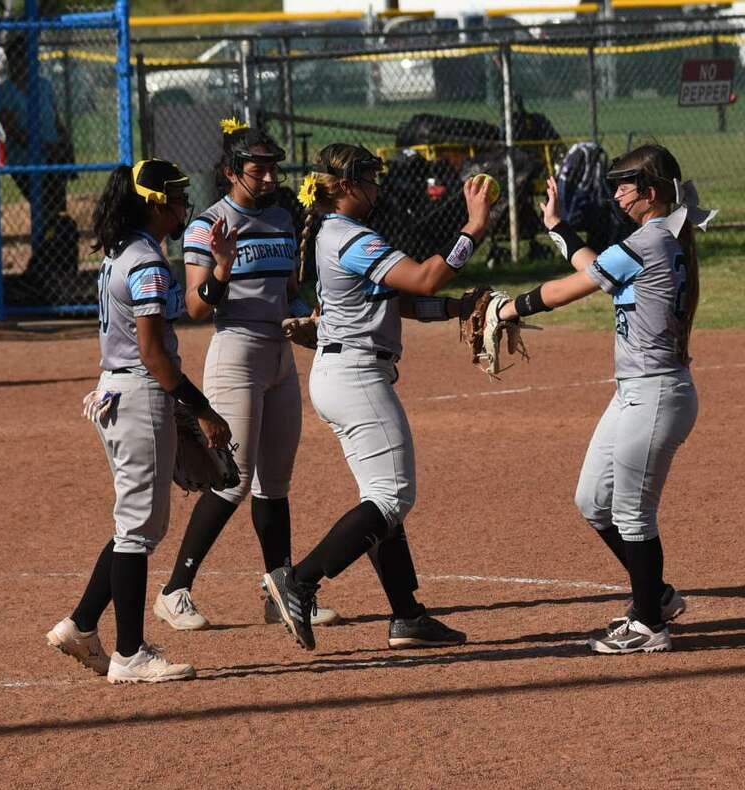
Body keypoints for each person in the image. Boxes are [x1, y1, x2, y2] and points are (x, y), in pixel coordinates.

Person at [262, 143, 492, 651]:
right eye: (369, 178)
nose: (377, 186)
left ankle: (407, 616)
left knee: (381, 498)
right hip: (355, 376)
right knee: (392, 498)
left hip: (345, 372)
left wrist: (456, 308)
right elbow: (425, 275)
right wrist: (473, 228)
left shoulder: (338, 233)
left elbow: (402, 299)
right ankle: (297, 580)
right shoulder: (350, 236)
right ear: (343, 186)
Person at [497, 144, 714, 654]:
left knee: (634, 514)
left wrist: (508, 308)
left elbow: (567, 290)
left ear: (653, 192)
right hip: (636, 394)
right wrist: (559, 228)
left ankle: (648, 624)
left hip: (656, 393)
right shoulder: (656, 239)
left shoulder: (649, 241)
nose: (615, 192)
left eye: (625, 184)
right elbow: (596, 268)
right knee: (593, 501)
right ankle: (656, 596)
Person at [45, 158, 231, 684]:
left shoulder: (128, 251)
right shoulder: (146, 262)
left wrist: (218, 269)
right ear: (153, 203)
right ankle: (129, 654)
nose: (181, 205)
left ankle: (82, 625)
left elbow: (188, 312)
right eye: (174, 196)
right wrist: (202, 408)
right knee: (138, 528)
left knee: (138, 523)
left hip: (119, 391)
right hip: (140, 392)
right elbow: (154, 354)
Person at [153, 120, 339, 631]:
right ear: (233, 171)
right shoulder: (208, 225)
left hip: (279, 354)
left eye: (274, 166)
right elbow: (193, 306)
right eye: (259, 167)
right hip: (235, 353)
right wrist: (220, 269)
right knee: (231, 480)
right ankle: (174, 591)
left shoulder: (283, 217)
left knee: (275, 484)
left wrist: (306, 315)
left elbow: (291, 290)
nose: (270, 175)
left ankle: (280, 593)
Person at [0, 33, 74, 290]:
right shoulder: (4, 92)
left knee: (54, 214)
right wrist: (43, 147)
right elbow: (12, 129)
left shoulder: (44, 85)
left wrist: (62, 144)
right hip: (26, 163)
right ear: (11, 60)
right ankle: (41, 269)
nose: (26, 63)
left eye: (29, 57)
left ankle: (48, 267)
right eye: (20, 57)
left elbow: (57, 120)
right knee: (44, 211)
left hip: (53, 160)